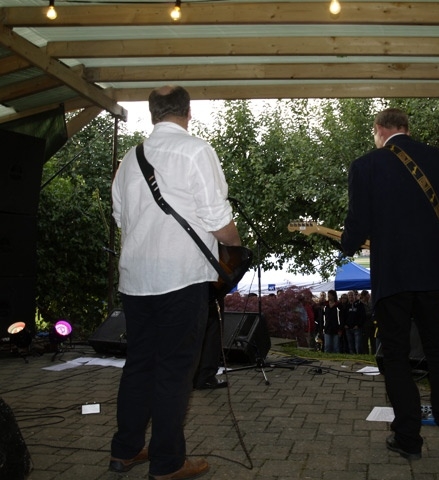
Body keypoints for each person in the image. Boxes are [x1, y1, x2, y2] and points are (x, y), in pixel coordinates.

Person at [110, 86, 242, 480]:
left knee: (139, 365)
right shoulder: (195, 151)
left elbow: (119, 217)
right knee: (174, 370)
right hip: (181, 279)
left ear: (153, 114)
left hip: (136, 281)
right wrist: (236, 248)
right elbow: (217, 218)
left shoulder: (130, 159)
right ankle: (167, 463)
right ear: (188, 111)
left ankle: (126, 450)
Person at [341, 108, 439, 459]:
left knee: (396, 356)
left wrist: (347, 244)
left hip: (393, 276)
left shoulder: (366, 165)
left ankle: (408, 440)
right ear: (405, 128)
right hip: (432, 275)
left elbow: (358, 222)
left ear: (379, 129)